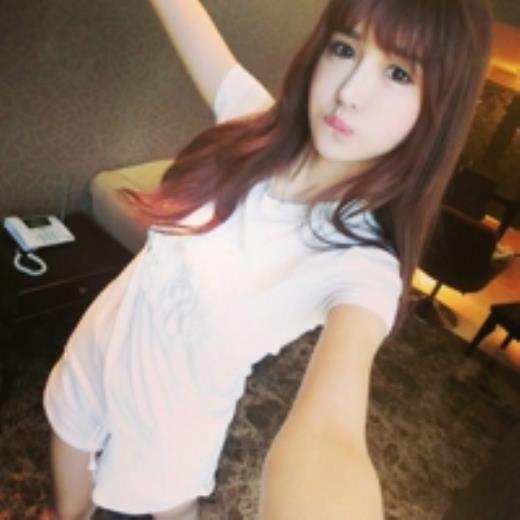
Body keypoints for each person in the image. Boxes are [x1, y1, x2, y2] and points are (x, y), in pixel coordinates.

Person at [43, 0, 492, 518]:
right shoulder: (254, 128)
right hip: (102, 345)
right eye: (345, 49)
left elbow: (330, 437)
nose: (349, 92)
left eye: (398, 73)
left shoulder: (360, 265)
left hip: (168, 425)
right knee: (68, 462)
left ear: (438, 110)